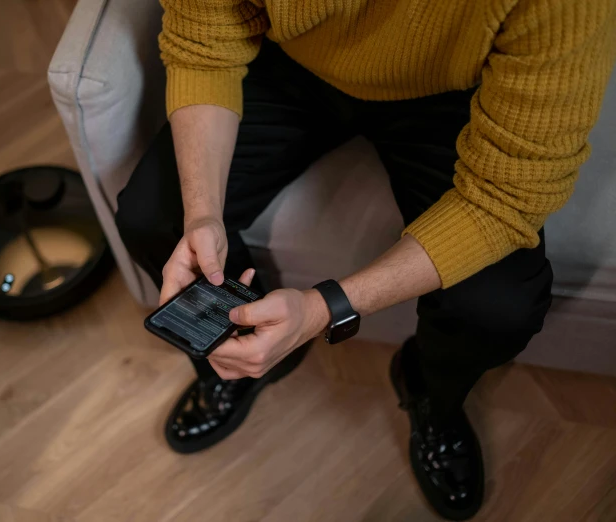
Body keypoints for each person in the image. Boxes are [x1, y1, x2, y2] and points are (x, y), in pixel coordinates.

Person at [115, 0, 616, 519]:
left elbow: (506, 196)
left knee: (498, 306)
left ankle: (428, 391)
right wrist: (201, 217)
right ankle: (242, 352)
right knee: (152, 216)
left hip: (458, 92)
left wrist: (322, 309)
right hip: (291, 59)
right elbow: (204, 39)